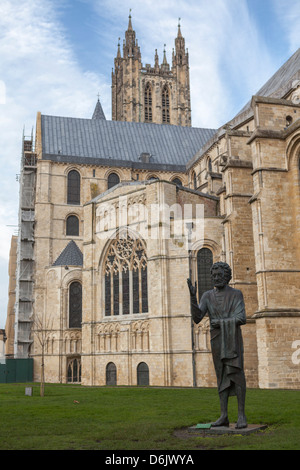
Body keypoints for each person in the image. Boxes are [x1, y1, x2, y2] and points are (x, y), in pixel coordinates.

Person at [187, 261, 247, 429]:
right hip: (217, 340)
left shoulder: (236, 294)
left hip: (233, 339)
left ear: (226, 277)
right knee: (221, 377)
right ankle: (224, 415)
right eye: (213, 276)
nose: (216, 278)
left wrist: (220, 322)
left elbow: (242, 317)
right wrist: (193, 297)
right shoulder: (207, 296)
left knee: (237, 374)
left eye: (219, 275)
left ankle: (241, 415)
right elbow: (198, 317)